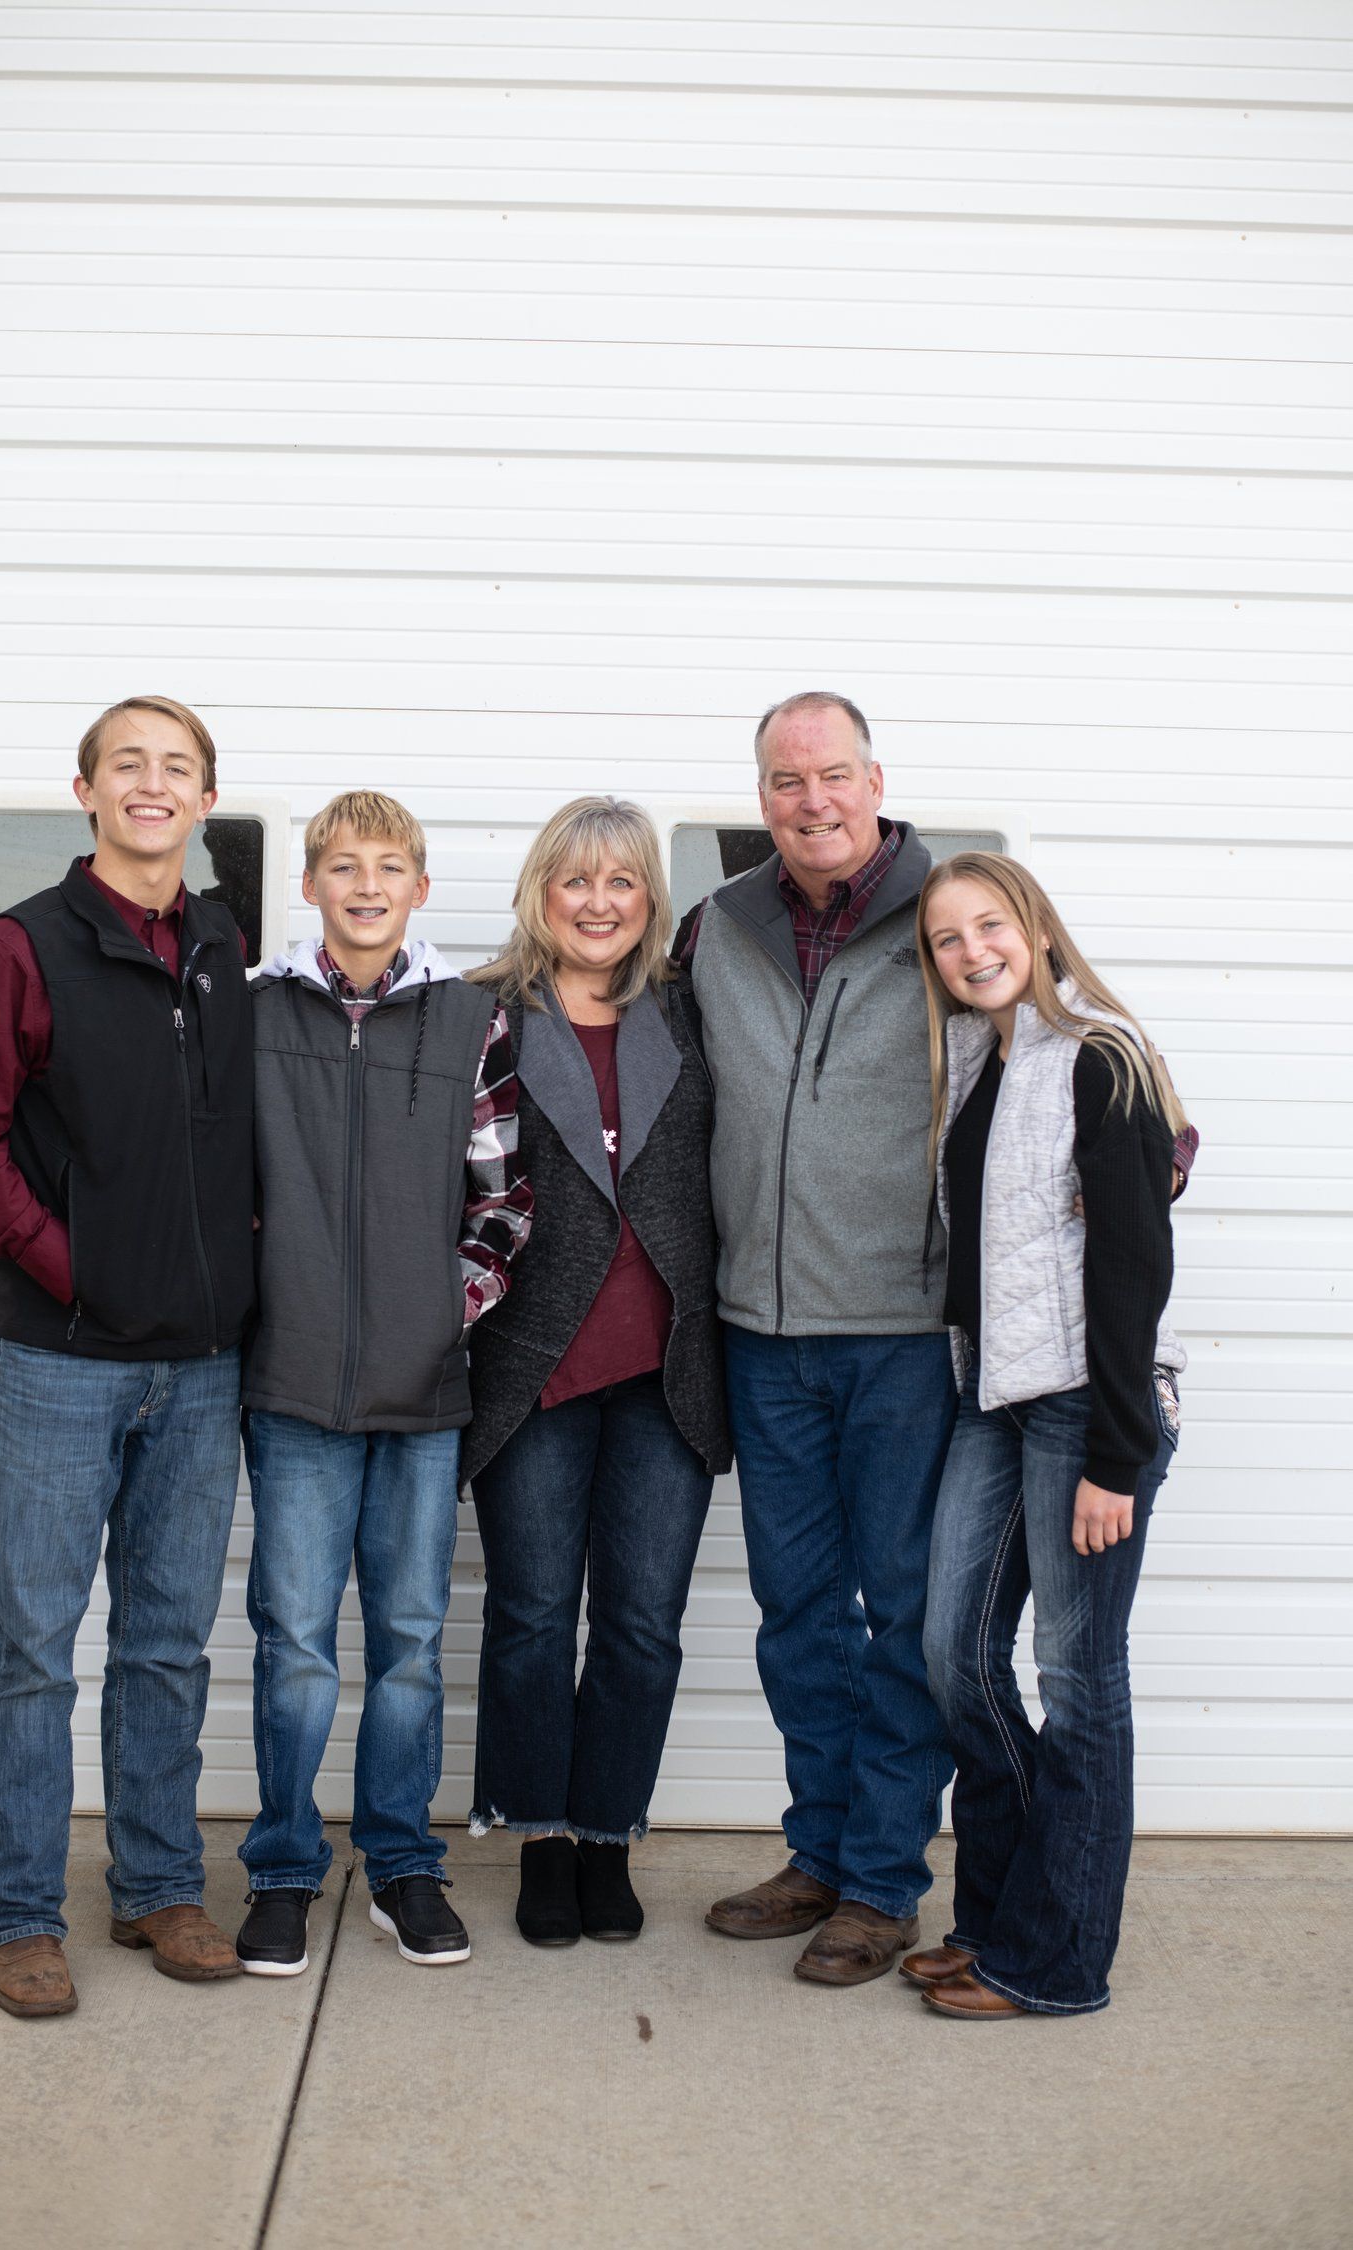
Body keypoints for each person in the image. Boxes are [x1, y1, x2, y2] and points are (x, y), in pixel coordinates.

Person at [676, 691, 1196, 1988]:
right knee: (800, 1615)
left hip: (910, 1340)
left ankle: (883, 1881)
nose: (813, 801)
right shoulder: (718, 925)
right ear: (764, 796)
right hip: (765, 1326)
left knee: (909, 1619)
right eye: (786, 782)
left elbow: (1083, 1059)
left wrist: (1153, 1155)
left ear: (874, 777)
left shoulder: (943, 915)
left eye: (833, 773)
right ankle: (819, 1850)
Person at [0, 695, 256, 2017]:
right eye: (131, 765)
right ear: (87, 790)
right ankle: (21, 1915)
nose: (153, 785)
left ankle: (160, 1887)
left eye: (178, 768)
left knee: (169, 1644)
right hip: (62, 1360)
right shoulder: (18, 949)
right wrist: (78, 1270)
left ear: (203, 794)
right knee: (33, 1648)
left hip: (206, 1362)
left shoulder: (226, 943)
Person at [233, 791, 532, 1975]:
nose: (366, 884)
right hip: (292, 1388)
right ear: (308, 885)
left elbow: (504, 1207)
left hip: (423, 1393)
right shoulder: (252, 1014)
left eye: (391, 866)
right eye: (344, 865)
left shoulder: (471, 1021)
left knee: (409, 1640)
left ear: (419, 887)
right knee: (295, 1641)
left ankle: (403, 1862)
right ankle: (283, 1870)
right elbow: (220, 1191)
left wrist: (432, 1317)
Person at [903, 853, 1185, 2018]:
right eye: (946, 941)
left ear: (1035, 926)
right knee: (952, 1657)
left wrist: (1116, 1455)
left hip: (1086, 1409)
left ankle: (1056, 1962)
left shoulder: (1098, 1058)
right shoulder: (978, 1062)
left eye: (989, 926)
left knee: (1079, 1682)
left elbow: (1133, 1265)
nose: (972, 952)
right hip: (996, 1399)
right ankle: (997, 1918)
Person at [464, 797, 730, 1947]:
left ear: (648, 899)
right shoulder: (481, 1011)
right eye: (577, 880)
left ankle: (609, 1834)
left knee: (641, 1622)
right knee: (529, 1615)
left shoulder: (695, 1008)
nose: (599, 902)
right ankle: (541, 1836)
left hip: (670, 1363)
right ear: (543, 891)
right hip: (533, 1362)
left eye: (622, 882)